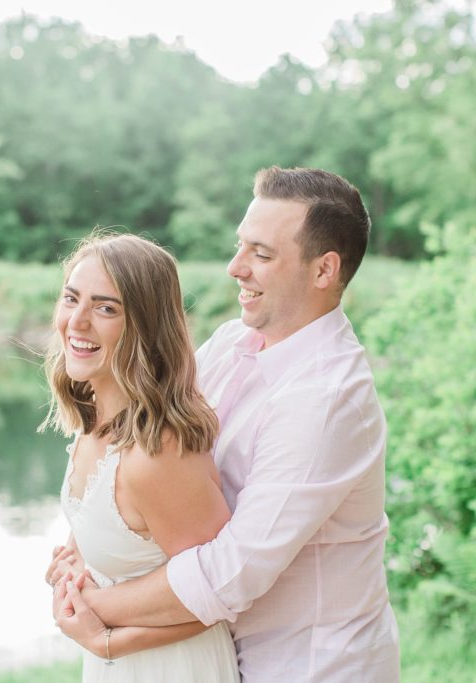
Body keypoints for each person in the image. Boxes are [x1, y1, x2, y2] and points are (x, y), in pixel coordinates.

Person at [49, 167, 401, 681]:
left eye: (261, 254)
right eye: (240, 247)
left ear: (324, 270)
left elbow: (233, 571)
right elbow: (147, 441)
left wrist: (95, 605)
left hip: (308, 666)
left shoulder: (327, 399)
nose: (236, 267)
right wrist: (85, 552)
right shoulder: (232, 344)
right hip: (220, 651)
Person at [41, 232, 241, 682]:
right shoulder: (96, 421)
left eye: (106, 308)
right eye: (71, 298)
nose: (78, 321)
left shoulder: (158, 453)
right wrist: (72, 567)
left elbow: (217, 596)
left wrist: (109, 640)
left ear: (145, 327)